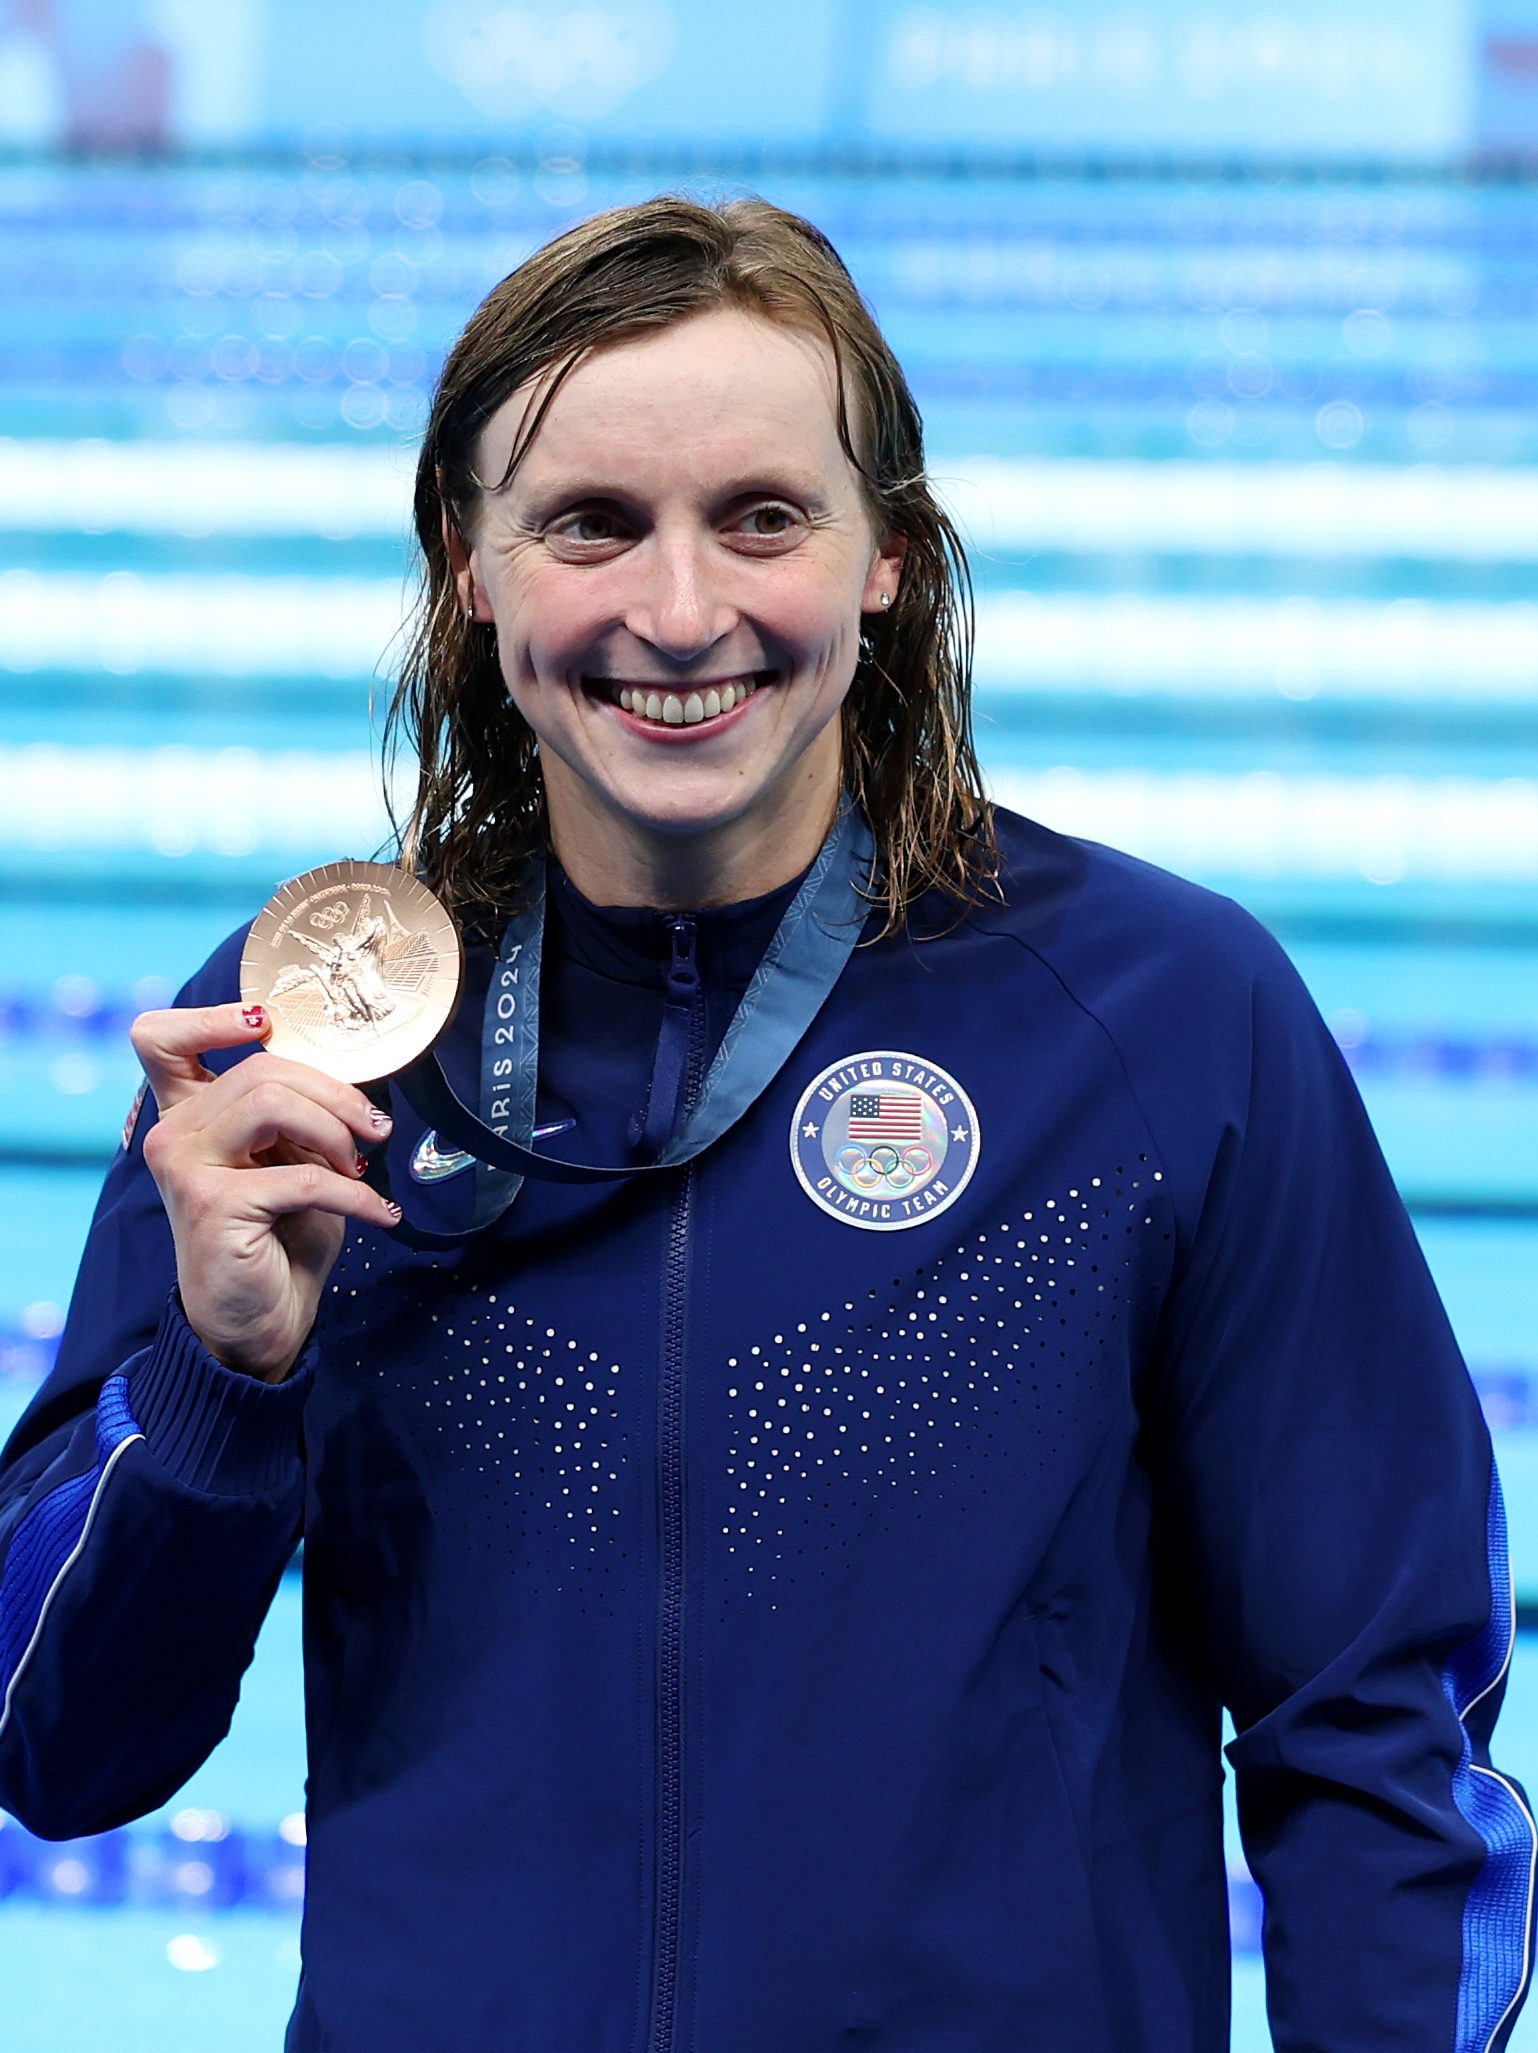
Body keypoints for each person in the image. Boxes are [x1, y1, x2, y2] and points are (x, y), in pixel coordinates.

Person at [0, 194, 1531, 2052]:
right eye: (589, 524)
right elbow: (56, 1750)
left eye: (761, 518)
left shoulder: (1158, 1023)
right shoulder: (313, 1038)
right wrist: (226, 1379)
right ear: (468, 570)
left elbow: (1372, 1724)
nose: (676, 612)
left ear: (884, 555)